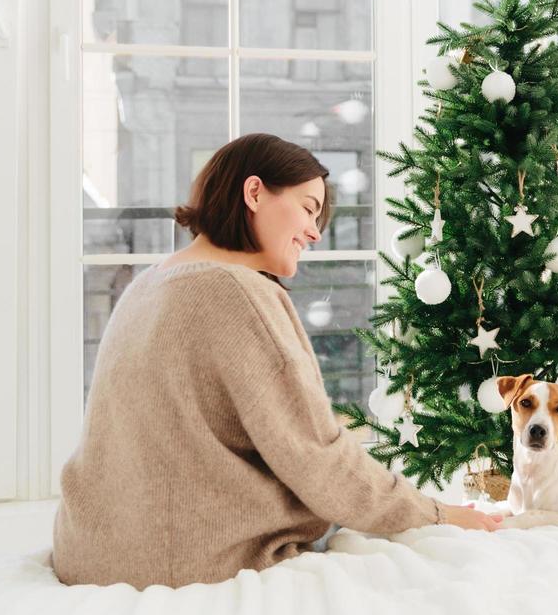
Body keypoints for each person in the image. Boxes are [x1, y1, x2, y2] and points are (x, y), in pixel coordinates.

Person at [52, 133, 500, 588]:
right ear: (254, 192)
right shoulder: (236, 291)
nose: (315, 231)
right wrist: (436, 513)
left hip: (89, 547)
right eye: (308, 207)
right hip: (183, 558)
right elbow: (316, 457)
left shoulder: (147, 285)